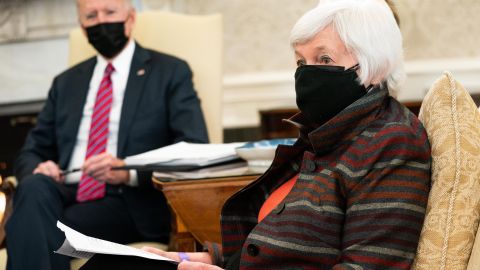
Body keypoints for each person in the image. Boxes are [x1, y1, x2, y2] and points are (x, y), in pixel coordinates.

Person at [144, 0, 431, 269]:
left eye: (325, 58)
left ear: (375, 66)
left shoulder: (392, 142)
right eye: (301, 63)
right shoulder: (325, 133)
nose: (307, 75)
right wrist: (185, 257)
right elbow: (278, 249)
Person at [5, 0, 208, 269]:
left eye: (110, 12)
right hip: (66, 190)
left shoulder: (170, 72)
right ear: (82, 26)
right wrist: (41, 167)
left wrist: (127, 171)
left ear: (131, 18)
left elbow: (193, 147)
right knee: (33, 186)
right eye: (91, 16)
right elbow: (30, 152)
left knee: (33, 223)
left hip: (127, 200)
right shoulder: (66, 83)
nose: (101, 21)